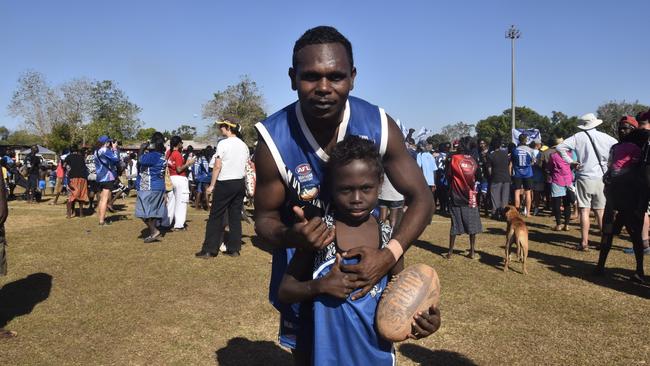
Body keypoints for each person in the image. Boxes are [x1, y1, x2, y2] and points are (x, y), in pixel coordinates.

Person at [253, 26, 436, 362]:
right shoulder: (273, 140)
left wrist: (389, 254)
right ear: (293, 78)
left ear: (352, 77)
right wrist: (290, 235)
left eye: (335, 76)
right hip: (307, 271)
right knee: (310, 353)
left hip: (371, 286)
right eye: (311, 77)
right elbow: (262, 220)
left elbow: (422, 198)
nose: (324, 88)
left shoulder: (378, 125)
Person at [278, 137, 439, 365]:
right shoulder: (321, 233)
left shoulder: (388, 241)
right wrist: (321, 286)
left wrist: (425, 320)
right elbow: (285, 291)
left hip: (377, 357)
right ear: (331, 187)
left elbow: (401, 298)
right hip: (327, 357)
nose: (356, 199)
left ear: (380, 183)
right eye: (345, 189)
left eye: (366, 189)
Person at [594, 116, 649, 283]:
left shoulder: (639, 148)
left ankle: (639, 271)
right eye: (620, 127)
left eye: (626, 128)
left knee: (635, 236)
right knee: (607, 232)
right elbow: (611, 165)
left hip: (631, 198)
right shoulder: (615, 147)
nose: (622, 130)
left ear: (633, 130)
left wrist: (615, 175)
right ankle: (600, 266)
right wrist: (607, 175)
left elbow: (636, 168)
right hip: (613, 198)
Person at [556, 113, 617, 250]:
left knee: (584, 210)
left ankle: (584, 242)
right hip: (601, 177)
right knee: (600, 211)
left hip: (584, 176)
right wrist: (609, 162)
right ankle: (604, 241)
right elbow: (617, 148)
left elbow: (560, 148)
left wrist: (571, 162)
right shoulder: (606, 138)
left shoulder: (578, 137)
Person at [195, 120, 249, 258]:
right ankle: (234, 248)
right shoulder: (244, 145)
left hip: (225, 182)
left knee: (215, 216)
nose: (220, 128)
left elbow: (217, 166)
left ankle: (209, 249)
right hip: (239, 182)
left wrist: (212, 185)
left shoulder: (223, 143)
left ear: (228, 128)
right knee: (235, 216)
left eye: (222, 126)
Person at [444, 136, 482, 259]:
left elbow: (448, 175)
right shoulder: (473, 160)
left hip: (455, 194)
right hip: (470, 196)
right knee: (473, 224)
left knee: (454, 223)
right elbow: (479, 176)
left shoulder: (453, 159)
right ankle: (472, 251)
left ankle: (450, 253)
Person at [135, 134, 167, 243]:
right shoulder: (161, 155)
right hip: (157, 186)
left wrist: (141, 149)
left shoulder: (153, 156)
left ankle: (154, 231)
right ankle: (153, 231)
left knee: (142, 212)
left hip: (149, 186)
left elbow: (139, 160)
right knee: (151, 212)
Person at [162, 136, 194, 231]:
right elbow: (179, 169)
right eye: (181, 143)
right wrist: (189, 163)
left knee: (170, 202)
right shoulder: (177, 154)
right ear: (179, 144)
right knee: (181, 202)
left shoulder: (168, 153)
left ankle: (166, 223)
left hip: (170, 178)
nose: (182, 144)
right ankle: (179, 225)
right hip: (180, 179)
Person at [546, 137, 573, 231]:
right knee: (567, 203)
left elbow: (550, 167)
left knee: (556, 203)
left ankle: (558, 224)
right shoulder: (570, 154)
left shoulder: (553, 156)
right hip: (568, 180)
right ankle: (567, 224)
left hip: (557, 180)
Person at [94, 135, 120, 226]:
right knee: (105, 199)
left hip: (99, 177)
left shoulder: (96, 151)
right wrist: (115, 149)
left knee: (101, 199)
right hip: (107, 177)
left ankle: (101, 218)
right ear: (107, 142)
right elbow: (116, 159)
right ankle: (102, 221)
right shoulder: (105, 150)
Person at [486, 137, 511, 220]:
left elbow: (489, 170)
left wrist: (491, 177)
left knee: (495, 197)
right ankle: (504, 214)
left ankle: (496, 214)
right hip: (506, 178)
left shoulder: (491, 155)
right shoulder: (505, 154)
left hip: (496, 178)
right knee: (505, 198)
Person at [511, 134, 535, 217]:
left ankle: (517, 212)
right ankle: (528, 213)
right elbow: (533, 161)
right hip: (528, 173)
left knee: (517, 192)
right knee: (528, 192)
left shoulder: (515, 150)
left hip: (517, 173)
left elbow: (512, 161)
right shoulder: (530, 150)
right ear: (526, 140)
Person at [63, 145, 89, 219]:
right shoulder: (81, 157)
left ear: (70, 151)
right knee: (81, 195)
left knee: (71, 196)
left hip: (73, 178)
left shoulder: (68, 157)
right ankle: (81, 214)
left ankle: (69, 214)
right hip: (83, 178)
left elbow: (64, 166)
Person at [416, 141, 437, 214]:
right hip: (430, 181)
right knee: (430, 198)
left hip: (423, 181)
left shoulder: (419, 155)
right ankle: (429, 212)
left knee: (422, 197)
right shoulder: (430, 155)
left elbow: (419, 167)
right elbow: (434, 170)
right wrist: (434, 182)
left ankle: (424, 212)